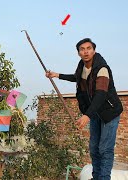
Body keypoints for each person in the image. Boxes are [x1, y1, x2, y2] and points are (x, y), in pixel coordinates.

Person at [46, 38, 123, 180]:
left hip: (109, 112)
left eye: (89, 48)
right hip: (94, 113)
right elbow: (77, 78)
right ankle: (96, 177)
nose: (86, 51)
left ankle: (103, 178)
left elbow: (101, 94)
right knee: (94, 149)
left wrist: (87, 115)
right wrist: (57, 75)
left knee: (105, 149)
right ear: (78, 53)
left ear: (94, 51)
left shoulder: (102, 68)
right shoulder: (82, 66)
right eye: (82, 49)